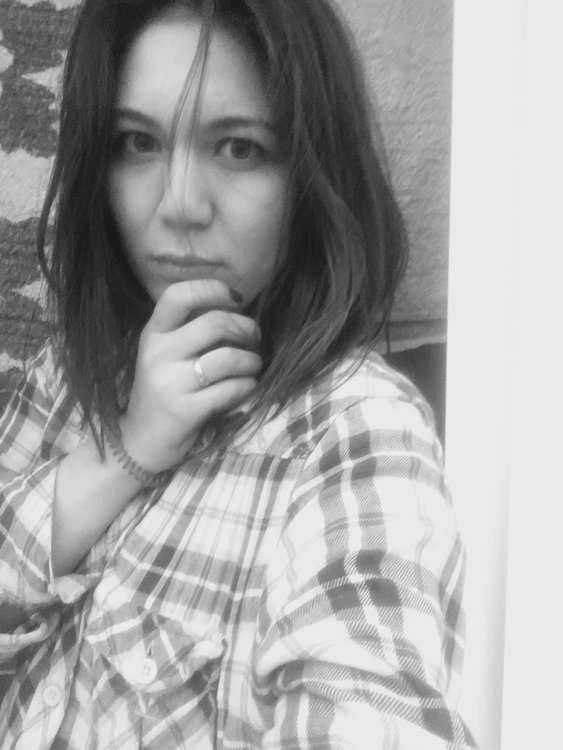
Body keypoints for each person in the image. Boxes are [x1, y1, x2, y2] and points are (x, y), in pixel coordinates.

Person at [0, 0, 475, 747]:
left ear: (311, 175)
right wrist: (123, 453)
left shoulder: (356, 429)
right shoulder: (68, 370)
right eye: (137, 142)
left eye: (239, 148)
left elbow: (372, 698)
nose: (179, 205)